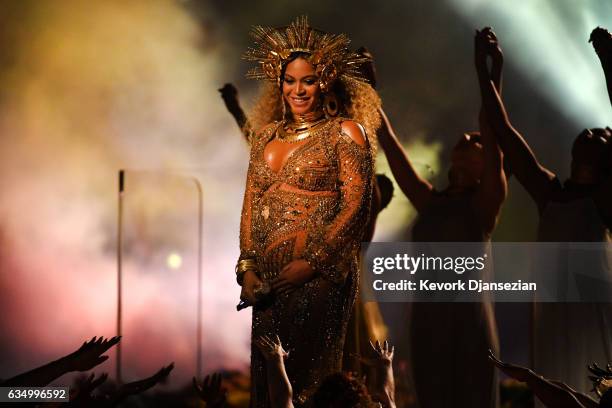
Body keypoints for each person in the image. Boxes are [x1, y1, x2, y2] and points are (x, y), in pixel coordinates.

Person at [235, 16, 380, 407]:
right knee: (269, 382)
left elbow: (356, 206)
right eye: (290, 80)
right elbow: (250, 203)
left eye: (308, 80)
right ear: (279, 83)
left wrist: (312, 262)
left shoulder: (345, 132)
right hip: (266, 286)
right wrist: (247, 267)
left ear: (325, 81)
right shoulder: (264, 136)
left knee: (309, 384)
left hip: (320, 279)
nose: (298, 89)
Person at [375, 28, 506, 408]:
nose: (470, 138)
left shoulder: (485, 202)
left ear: (488, 165)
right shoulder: (430, 201)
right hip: (427, 320)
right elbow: (392, 150)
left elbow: (493, 127)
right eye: (467, 138)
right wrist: (370, 94)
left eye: (477, 141)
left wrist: (488, 71)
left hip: (469, 323)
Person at [477, 27, 612, 395]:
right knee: (556, 386)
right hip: (552, 316)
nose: (592, 131)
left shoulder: (604, 200)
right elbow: (502, 130)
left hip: (593, 315)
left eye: (602, 134)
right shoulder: (549, 191)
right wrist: (486, 69)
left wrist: (607, 62)